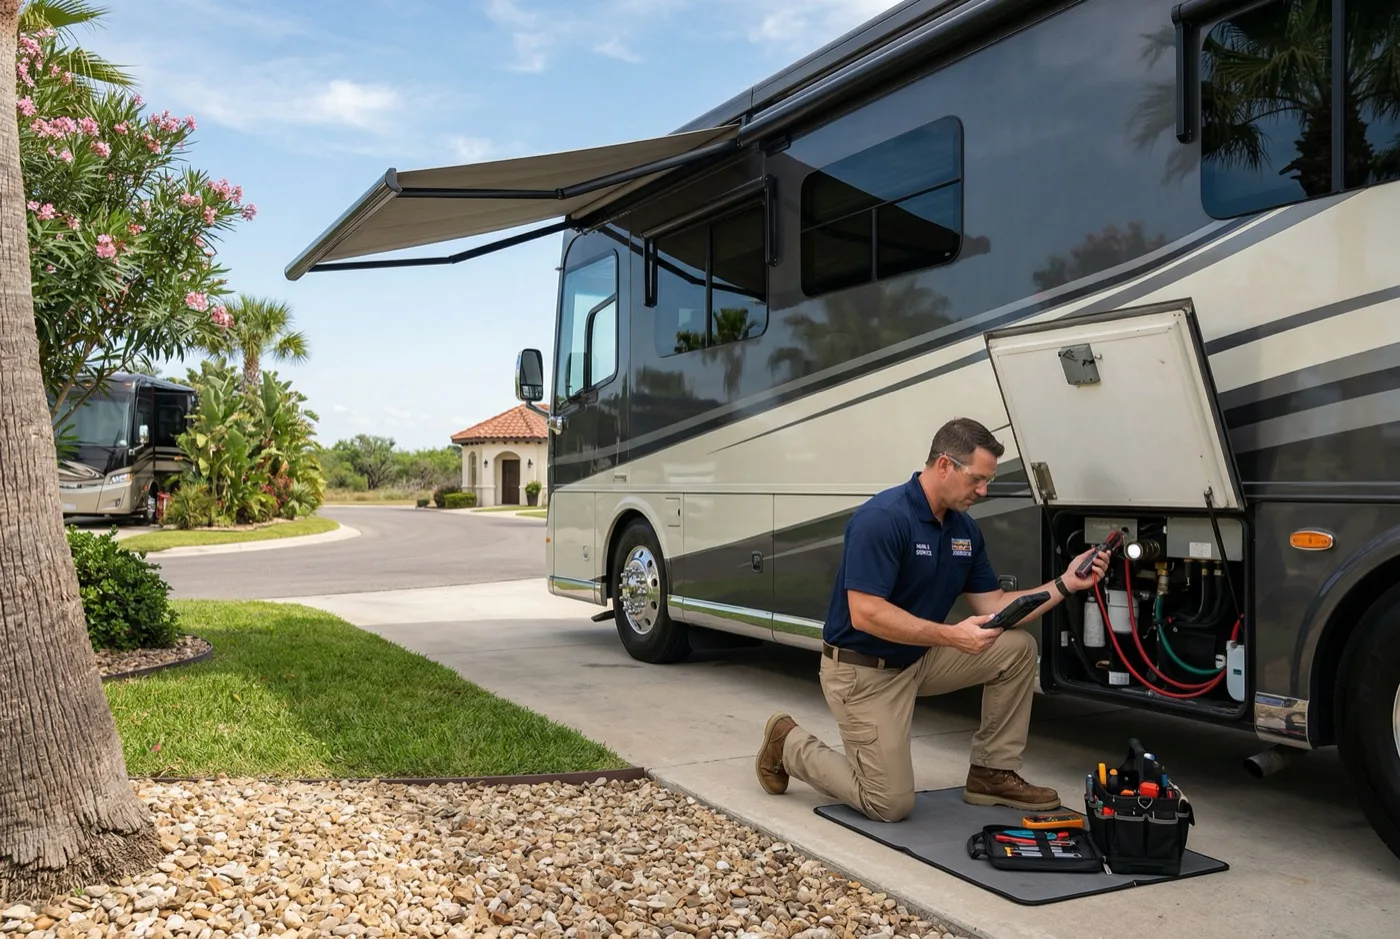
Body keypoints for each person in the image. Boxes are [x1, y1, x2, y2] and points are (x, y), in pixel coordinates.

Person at [755, 417, 1110, 822]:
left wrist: (1066, 583)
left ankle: (991, 772)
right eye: (977, 479)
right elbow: (865, 612)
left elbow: (994, 604)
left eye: (987, 481)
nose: (983, 490)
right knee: (889, 803)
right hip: (863, 672)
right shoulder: (883, 518)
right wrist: (951, 636)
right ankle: (788, 743)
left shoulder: (964, 531)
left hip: (918, 659)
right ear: (944, 465)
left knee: (1016, 649)